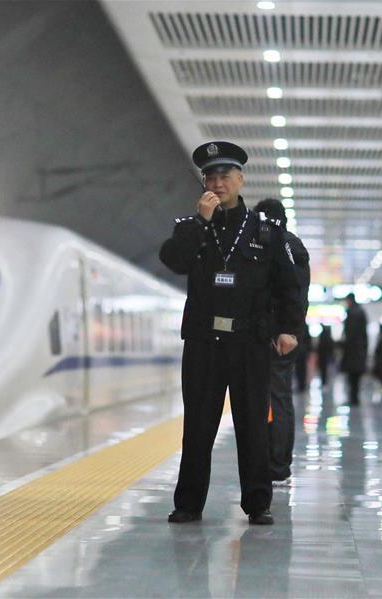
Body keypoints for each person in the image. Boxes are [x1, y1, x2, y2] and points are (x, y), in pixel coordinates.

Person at [159, 140, 302, 526]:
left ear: (240, 179)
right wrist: (200, 223)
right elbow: (174, 261)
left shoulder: (266, 231)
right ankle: (188, 503)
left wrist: (289, 329)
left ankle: (258, 503)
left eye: (225, 175)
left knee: (253, 423)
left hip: (248, 344)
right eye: (210, 176)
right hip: (204, 344)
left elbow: (289, 285)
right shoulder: (192, 228)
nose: (218, 183)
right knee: (198, 426)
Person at [253, 198, 310, 486]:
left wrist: (283, 331)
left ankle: (276, 464)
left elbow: (287, 294)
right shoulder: (296, 247)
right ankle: (277, 463)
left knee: (273, 397)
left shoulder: (278, 247)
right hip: (286, 334)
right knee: (279, 397)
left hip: (275, 336)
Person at [339, 293, 368, 406]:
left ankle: (353, 398)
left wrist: (343, 344)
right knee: (356, 375)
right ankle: (354, 397)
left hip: (352, 350)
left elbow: (350, 333)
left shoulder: (352, 313)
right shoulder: (361, 312)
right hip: (359, 349)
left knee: (352, 375)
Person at [294, 326, 312, 392]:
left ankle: (301, 384)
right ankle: (302, 384)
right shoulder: (305, 327)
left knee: (300, 369)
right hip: (301, 351)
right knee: (301, 369)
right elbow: (309, 340)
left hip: (299, 351)